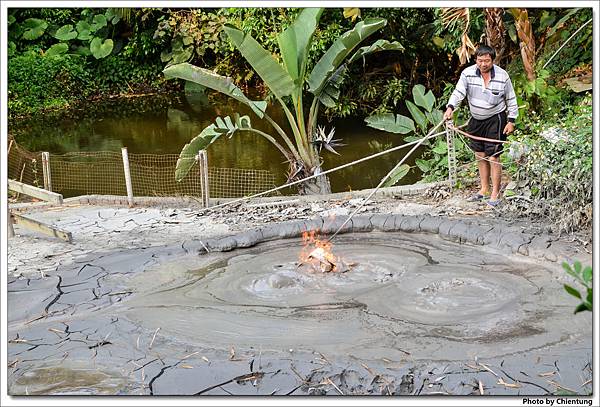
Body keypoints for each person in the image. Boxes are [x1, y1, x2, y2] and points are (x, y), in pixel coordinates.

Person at [443, 45, 518, 207]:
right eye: (480, 60)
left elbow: (511, 98)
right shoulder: (468, 74)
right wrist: (450, 108)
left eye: (486, 61)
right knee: (480, 155)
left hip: (496, 118)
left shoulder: (502, 76)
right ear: (475, 60)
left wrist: (511, 121)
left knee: (494, 156)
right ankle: (484, 189)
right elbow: (459, 92)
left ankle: (495, 192)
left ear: (492, 60)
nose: (483, 64)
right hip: (476, 119)